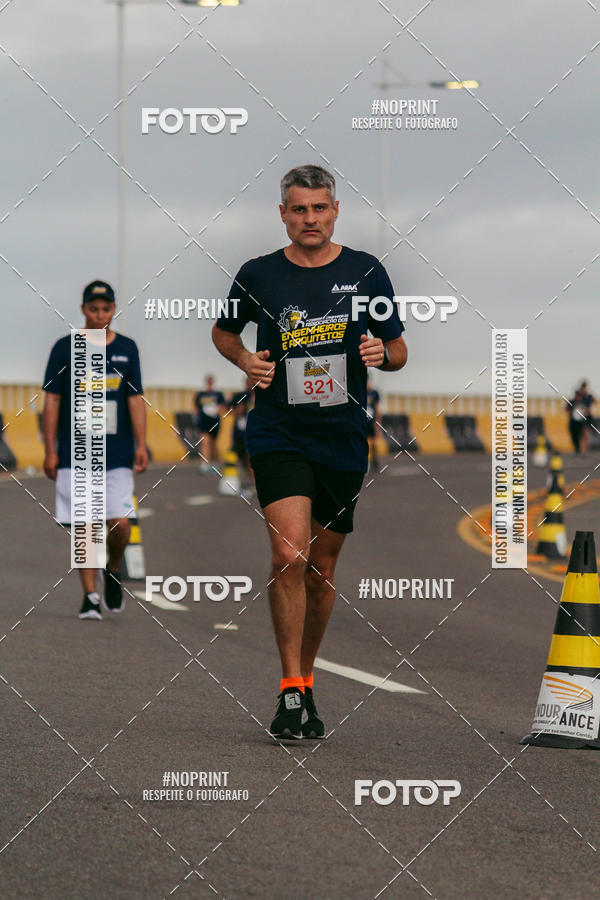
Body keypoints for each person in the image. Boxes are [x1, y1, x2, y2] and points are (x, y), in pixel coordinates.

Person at [212, 164, 407, 740]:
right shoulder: (259, 274)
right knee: (287, 556)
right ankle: (290, 688)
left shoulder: (365, 272)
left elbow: (399, 349)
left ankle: (308, 678)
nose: (310, 219)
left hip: (342, 437)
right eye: (299, 209)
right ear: (283, 214)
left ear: (335, 210)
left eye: (319, 208)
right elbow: (224, 332)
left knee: (321, 570)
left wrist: (382, 354)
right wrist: (245, 359)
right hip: (278, 430)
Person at [42, 280, 148, 620]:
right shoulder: (65, 349)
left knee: (119, 524)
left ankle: (113, 569)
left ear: (113, 309)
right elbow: (52, 400)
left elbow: (135, 399)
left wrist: (142, 444)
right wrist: (50, 449)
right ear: (83, 309)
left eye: (106, 309)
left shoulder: (127, 348)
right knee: (85, 524)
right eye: (94, 309)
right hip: (75, 453)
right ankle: (89, 596)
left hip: (117, 453)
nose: (100, 315)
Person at [229, 376, 255, 498]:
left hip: (253, 432)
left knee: (250, 458)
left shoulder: (259, 395)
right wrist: (237, 410)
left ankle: (254, 483)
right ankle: (249, 481)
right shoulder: (240, 395)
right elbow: (229, 409)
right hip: (239, 432)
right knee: (241, 457)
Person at [194, 375, 225, 473]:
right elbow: (196, 407)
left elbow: (223, 406)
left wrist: (217, 410)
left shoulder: (218, 394)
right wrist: (196, 419)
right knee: (205, 441)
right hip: (204, 422)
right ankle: (204, 464)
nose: (210, 383)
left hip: (215, 422)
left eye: (211, 381)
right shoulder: (200, 394)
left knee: (213, 444)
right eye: (208, 381)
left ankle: (215, 463)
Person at [366, 379, 382, 473]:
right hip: (362, 421)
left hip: (371, 421)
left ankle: (374, 461)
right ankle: (365, 461)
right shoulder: (360, 391)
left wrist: (377, 422)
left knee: (373, 443)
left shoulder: (374, 393)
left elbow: (377, 408)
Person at [566, 388, 587, 455]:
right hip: (573, 421)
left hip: (580, 422)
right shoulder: (572, 402)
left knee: (580, 435)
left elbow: (586, 411)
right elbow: (567, 409)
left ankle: (579, 449)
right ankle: (577, 447)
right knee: (573, 435)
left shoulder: (583, 402)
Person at [578, 380, 595, 454]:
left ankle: (585, 448)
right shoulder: (580, 396)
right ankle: (582, 448)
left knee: (586, 432)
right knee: (581, 433)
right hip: (581, 417)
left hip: (587, 417)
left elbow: (590, 406)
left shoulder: (589, 397)